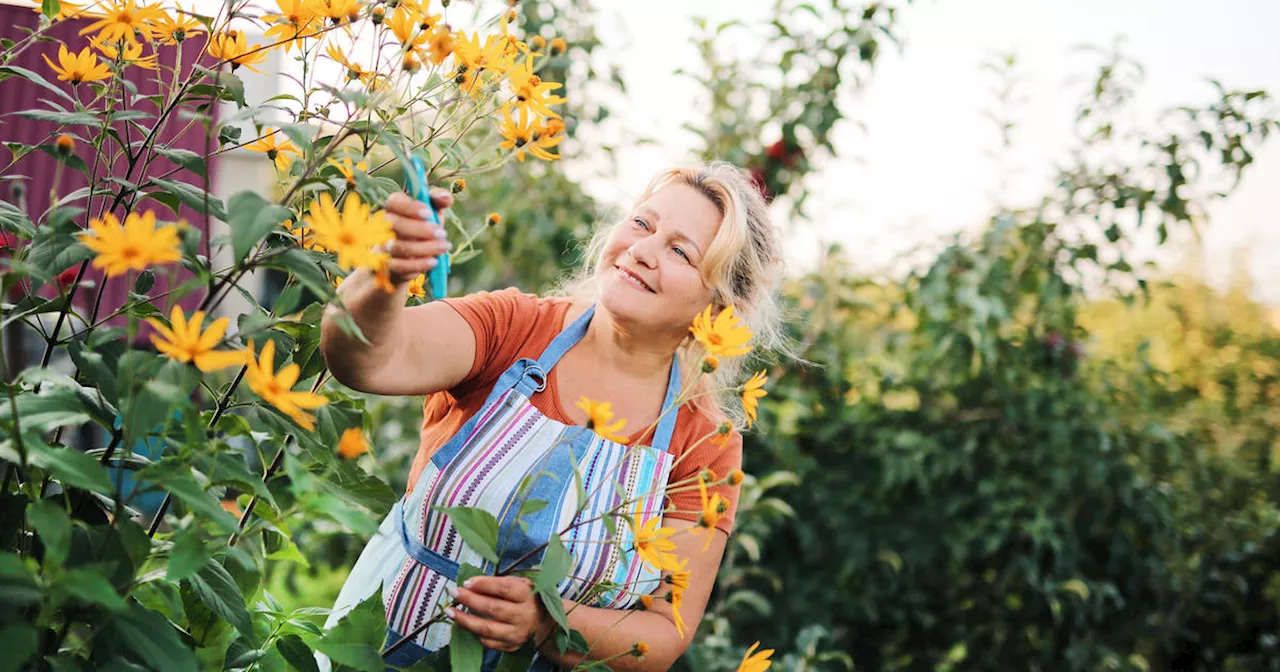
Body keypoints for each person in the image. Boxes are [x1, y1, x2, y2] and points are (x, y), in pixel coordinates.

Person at [318, 161, 785, 671]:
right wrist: (387, 271)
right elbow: (366, 359)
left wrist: (547, 622)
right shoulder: (514, 328)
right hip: (375, 652)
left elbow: (663, 633)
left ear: (718, 307)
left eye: (679, 251)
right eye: (641, 223)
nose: (642, 251)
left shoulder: (703, 442)